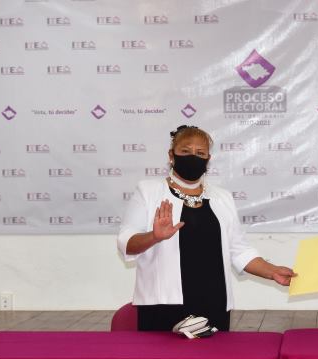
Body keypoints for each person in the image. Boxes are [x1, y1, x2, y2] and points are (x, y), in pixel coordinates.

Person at [117, 125, 296, 331]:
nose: (193, 157)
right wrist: (154, 236)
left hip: (214, 304)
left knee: (215, 354)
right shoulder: (148, 191)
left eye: (200, 153)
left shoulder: (222, 197)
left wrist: (273, 271)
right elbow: (126, 243)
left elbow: (239, 251)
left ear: (208, 159)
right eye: (185, 151)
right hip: (163, 305)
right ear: (171, 155)